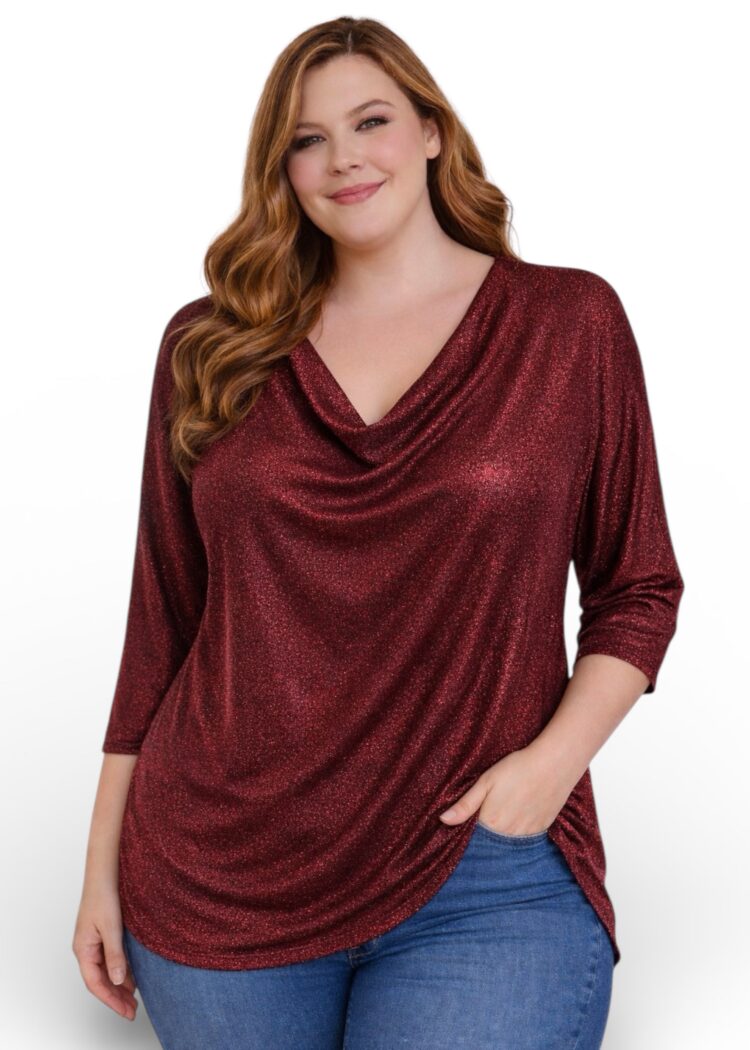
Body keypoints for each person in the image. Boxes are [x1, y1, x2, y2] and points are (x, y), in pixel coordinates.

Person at [73, 15, 684, 1050]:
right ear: (281, 169)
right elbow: (164, 620)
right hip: (224, 868)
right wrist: (99, 871)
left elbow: (638, 586)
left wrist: (548, 769)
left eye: (372, 121)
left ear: (433, 131)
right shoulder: (211, 345)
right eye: (308, 140)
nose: (344, 159)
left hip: (481, 871)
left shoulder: (567, 323)